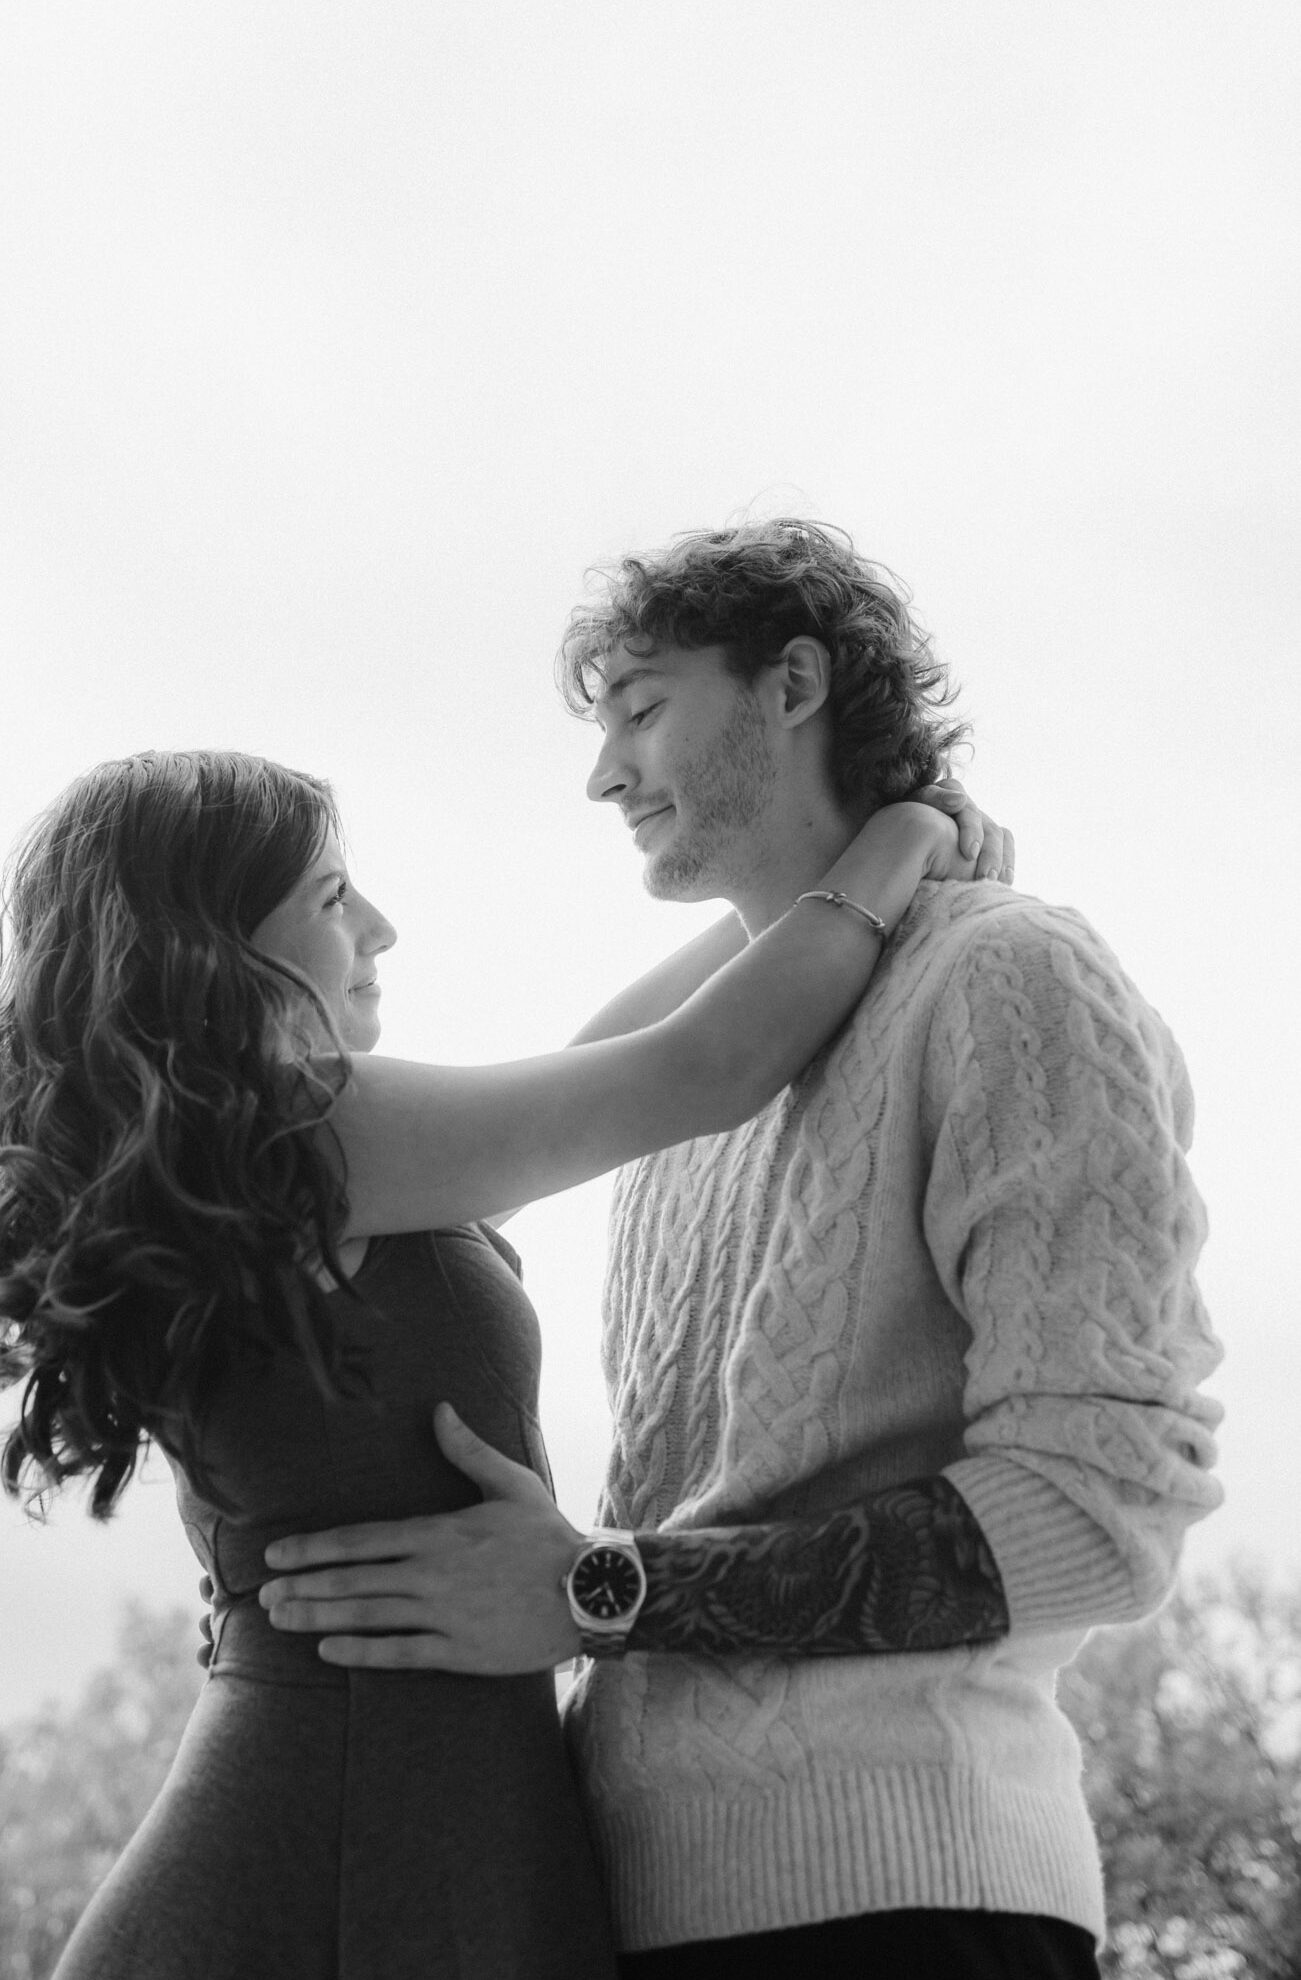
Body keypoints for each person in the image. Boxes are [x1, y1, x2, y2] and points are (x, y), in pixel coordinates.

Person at [257, 520, 1224, 1980]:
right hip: (636, 1902)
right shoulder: (690, 1085)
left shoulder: (1011, 978)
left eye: (642, 709)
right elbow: (693, 1052)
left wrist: (604, 1591)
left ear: (792, 685)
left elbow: (1099, 1509)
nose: (603, 773)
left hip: (909, 1904)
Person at [0, 745, 1000, 1980]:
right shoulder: (299, 1133)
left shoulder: (284, 1154)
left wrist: (825, 871)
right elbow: (697, 1068)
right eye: (334, 900)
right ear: (212, 947)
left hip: (400, 1802)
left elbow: (605, 1059)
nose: (382, 927)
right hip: (343, 1832)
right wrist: (904, 842)